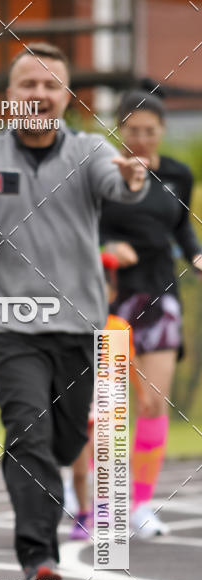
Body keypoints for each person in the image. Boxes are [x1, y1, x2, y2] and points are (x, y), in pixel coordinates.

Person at [0, 42, 148, 580]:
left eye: (52, 84)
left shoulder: (90, 151)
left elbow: (119, 185)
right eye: (29, 83)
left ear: (67, 97)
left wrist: (133, 179)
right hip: (11, 324)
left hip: (79, 326)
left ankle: (46, 504)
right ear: (9, 95)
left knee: (63, 442)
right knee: (27, 429)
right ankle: (38, 553)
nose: (39, 93)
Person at [100, 90, 202, 538]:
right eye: (133, 130)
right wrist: (106, 248)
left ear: (162, 131)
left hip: (162, 297)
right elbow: (82, 229)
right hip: (111, 300)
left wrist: (196, 255)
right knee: (111, 405)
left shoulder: (178, 175)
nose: (141, 138)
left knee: (153, 401)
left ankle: (140, 504)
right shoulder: (103, 175)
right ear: (120, 129)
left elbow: (182, 227)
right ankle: (102, 501)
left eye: (149, 131)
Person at [68, 252, 139, 539]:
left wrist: (142, 395)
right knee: (79, 467)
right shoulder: (73, 325)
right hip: (79, 402)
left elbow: (128, 366)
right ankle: (82, 511)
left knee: (107, 458)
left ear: (111, 294)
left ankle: (103, 506)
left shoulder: (120, 327)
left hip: (108, 402)